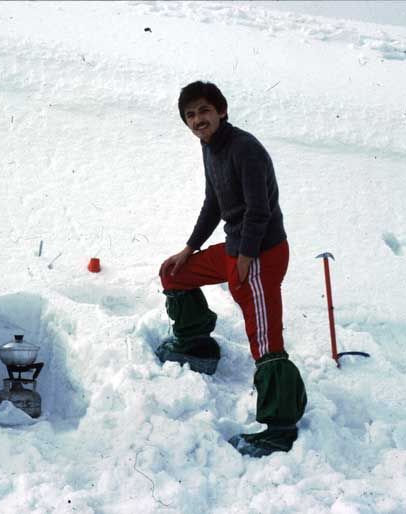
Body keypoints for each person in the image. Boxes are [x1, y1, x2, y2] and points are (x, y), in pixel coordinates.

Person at [157, 81, 306, 457]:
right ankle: (196, 346)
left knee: (266, 340)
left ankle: (279, 428)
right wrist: (190, 249)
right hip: (237, 248)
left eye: (204, 110)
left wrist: (244, 260)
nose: (197, 119)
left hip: (260, 254)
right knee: (174, 273)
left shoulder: (245, 149)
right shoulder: (211, 148)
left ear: (221, 111)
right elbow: (214, 203)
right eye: (190, 115)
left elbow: (260, 210)